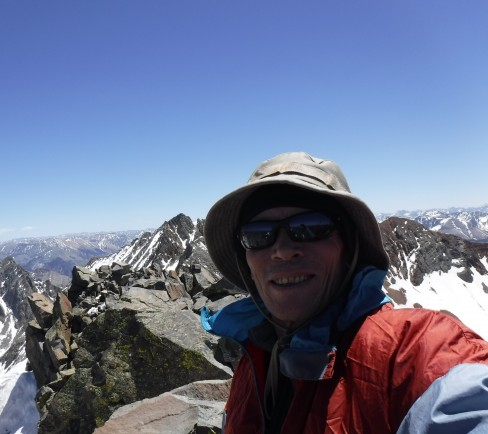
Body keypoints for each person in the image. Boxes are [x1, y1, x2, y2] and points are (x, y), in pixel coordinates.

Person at [201, 152, 488, 433]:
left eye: (310, 227)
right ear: (246, 258)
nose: (283, 251)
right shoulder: (253, 353)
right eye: (258, 235)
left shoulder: (413, 351)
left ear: (348, 247)